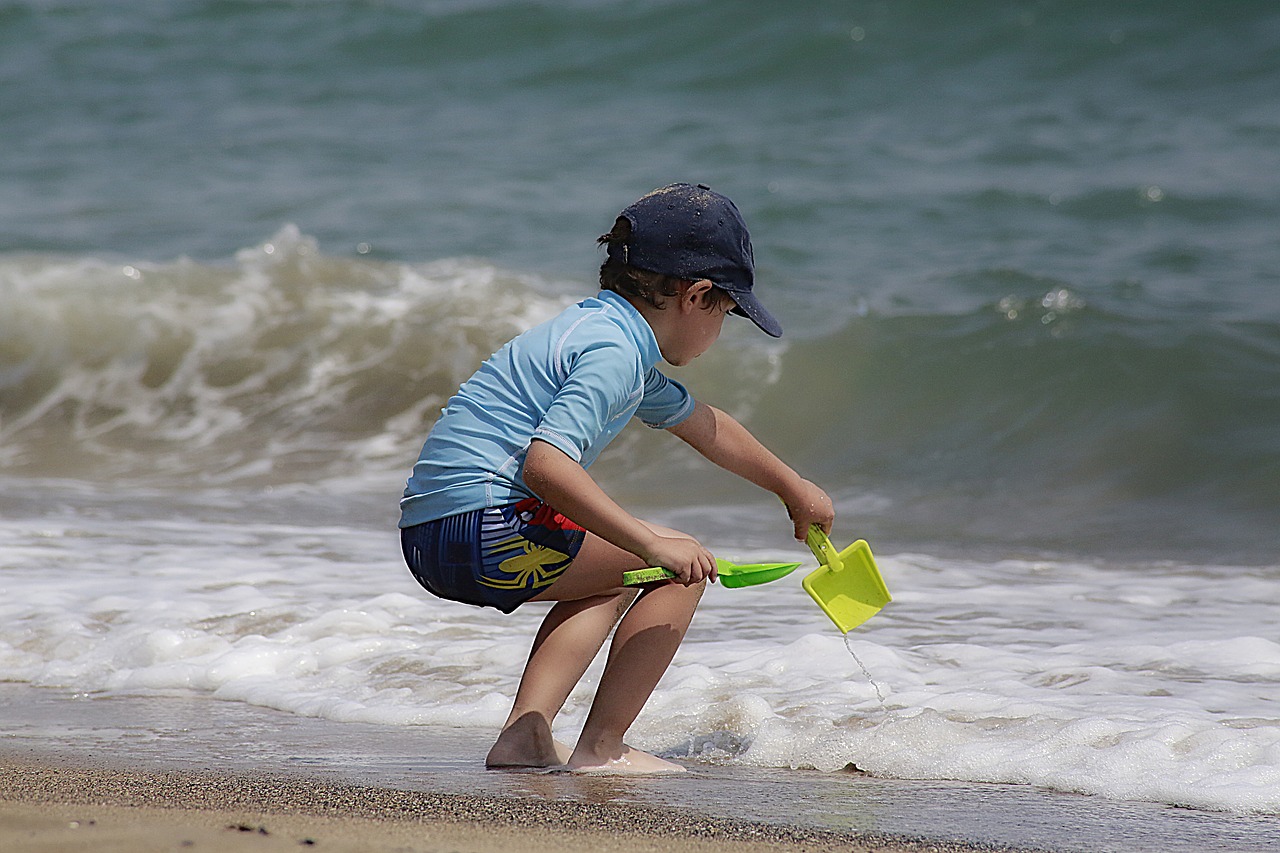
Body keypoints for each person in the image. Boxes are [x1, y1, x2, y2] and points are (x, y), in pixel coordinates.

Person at [399, 183, 834, 774]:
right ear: (696, 294)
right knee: (678, 565)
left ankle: (525, 737)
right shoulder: (614, 354)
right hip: (489, 528)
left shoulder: (596, 331)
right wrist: (650, 544)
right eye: (727, 314)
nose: (721, 331)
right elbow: (546, 466)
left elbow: (704, 426)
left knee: (610, 575)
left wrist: (792, 486)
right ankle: (603, 748)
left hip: (432, 534)